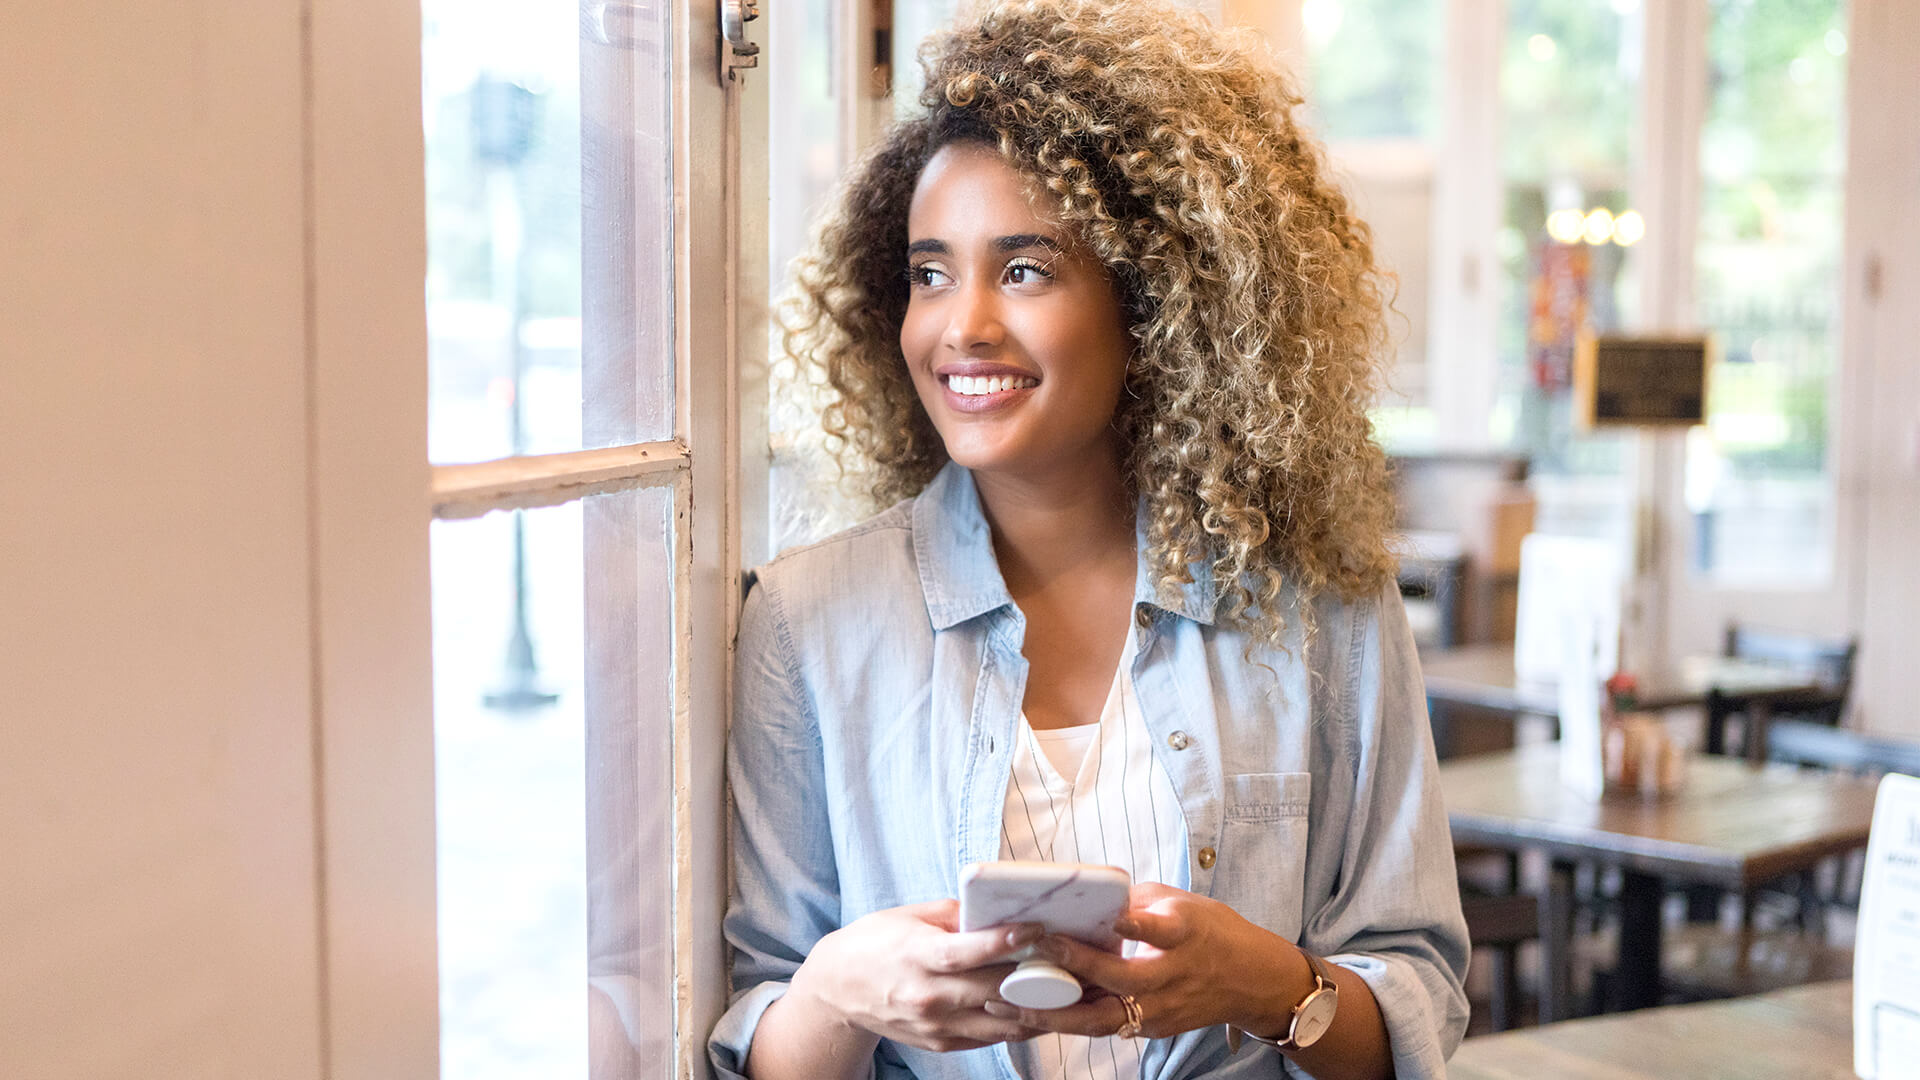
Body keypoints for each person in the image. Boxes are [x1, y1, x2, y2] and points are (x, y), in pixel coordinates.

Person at [709, 0, 1470, 1076]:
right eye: (931, 271)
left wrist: (1267, 984)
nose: (960, 325)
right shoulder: (807, 619)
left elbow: (1418, 997)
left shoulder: (1321, 602)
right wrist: (841, 989)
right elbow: (767, 1029)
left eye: (1024, 269)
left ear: (1154, 302)